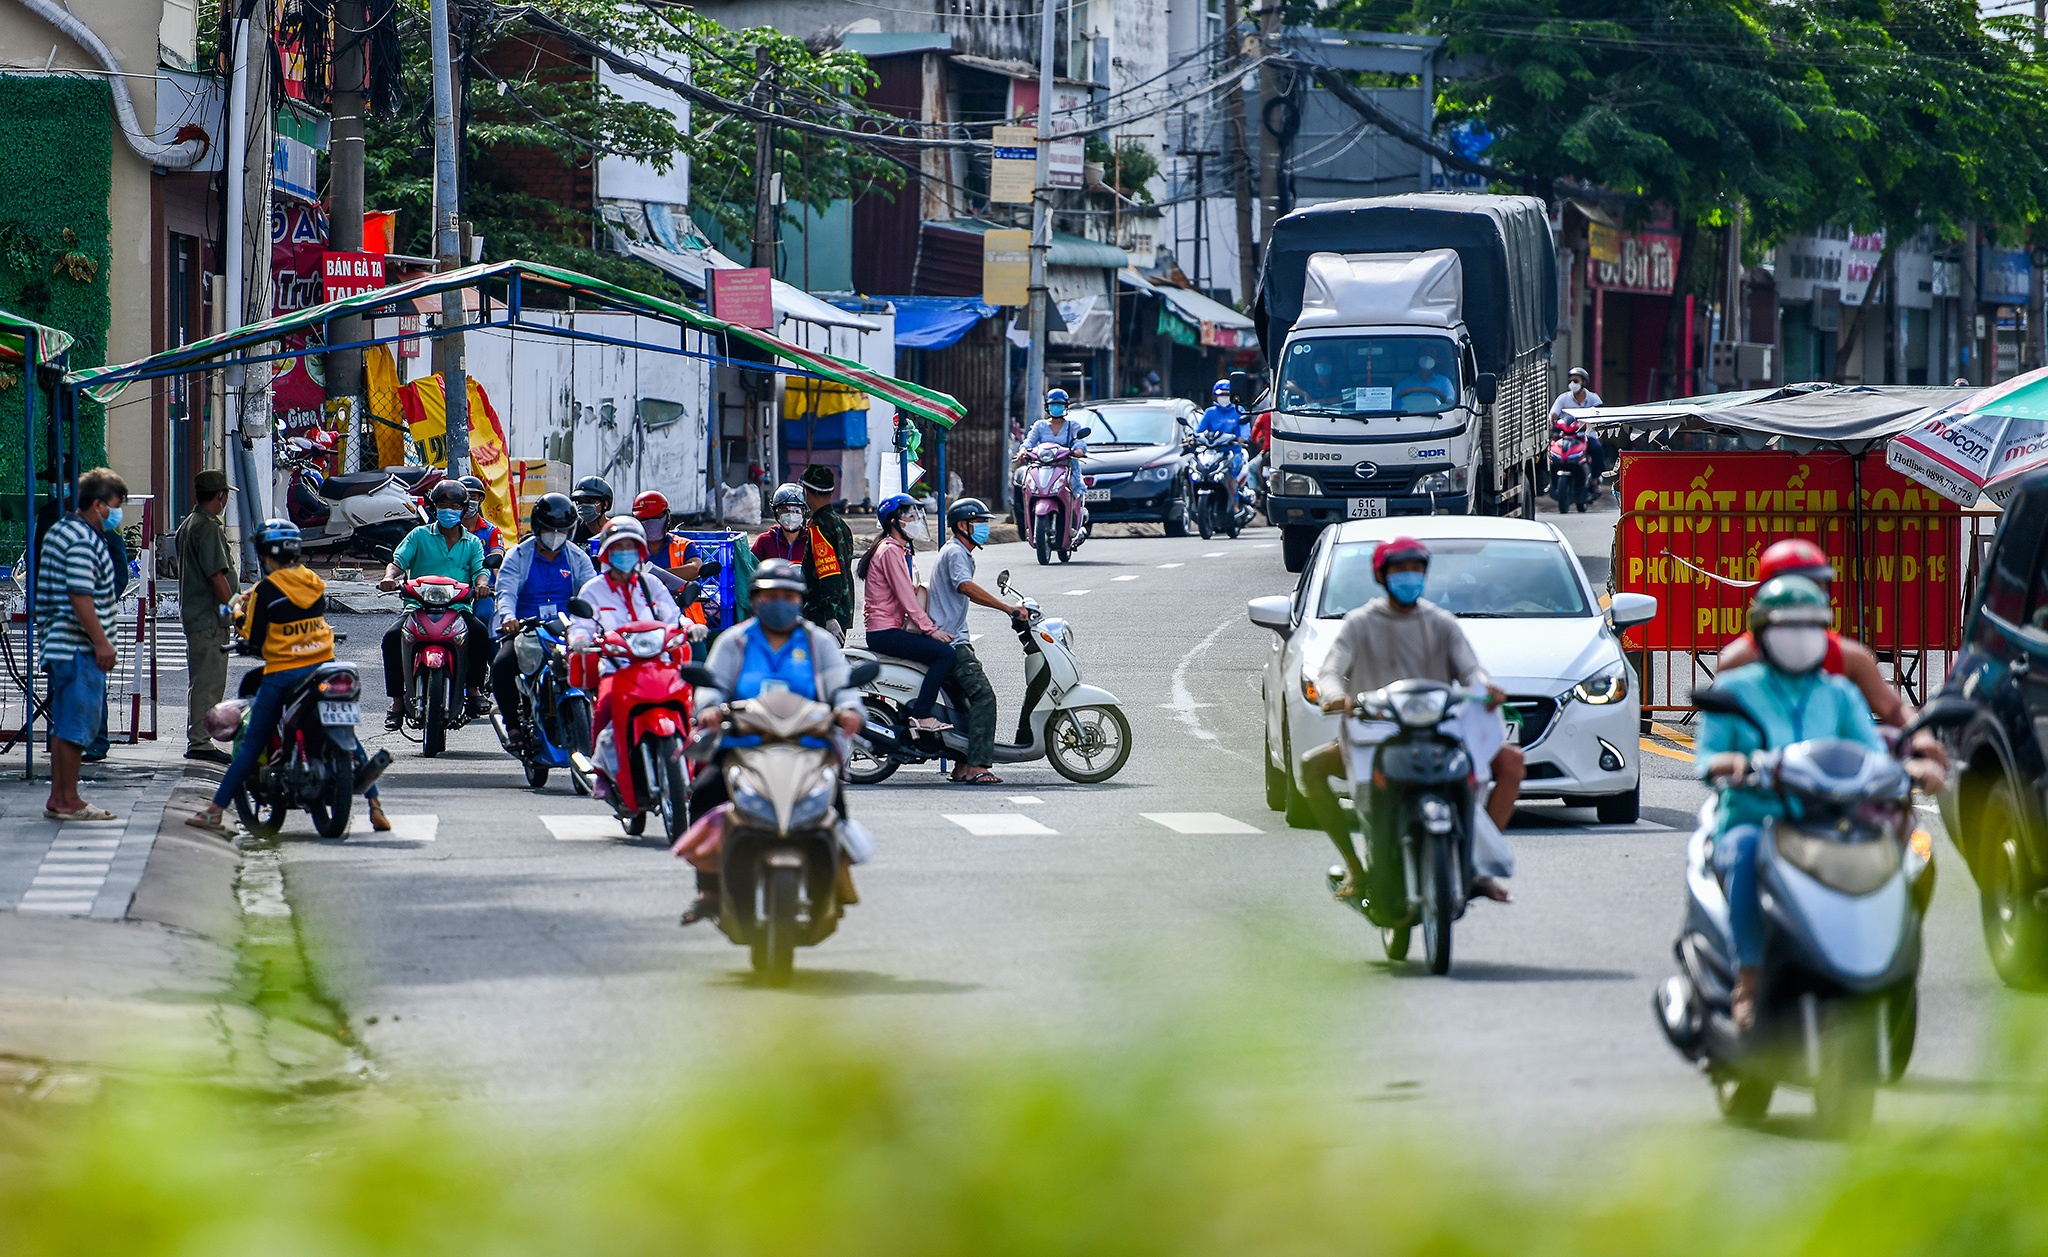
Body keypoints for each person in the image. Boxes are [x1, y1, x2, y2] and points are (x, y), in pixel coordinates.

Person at [1697, 576, 1942, 1031]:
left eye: (1811, 626)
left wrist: (1908, 767)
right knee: (1748, 852)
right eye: (1787, 626)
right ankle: (1747, 980)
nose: (1799, 637)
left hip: (1825, 821)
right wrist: (1729, 763)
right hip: (1754, 817)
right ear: (1761, 631)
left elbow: (1870, 751)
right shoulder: (1736, 688)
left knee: (1893, 856)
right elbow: (1706, 757)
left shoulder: (1839, 693)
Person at [1305, 536, 1522, 906]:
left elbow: (1472, 671)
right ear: (1382, 575)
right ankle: (1355, 866)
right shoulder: (1359, 624)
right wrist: (1332, 696)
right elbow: (1331, 670)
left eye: (1416, 568)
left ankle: (1476, 866)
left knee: (1512, 763)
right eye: (1400, 569)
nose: (1409, 576)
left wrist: (1486, 688)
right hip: (1374, 731)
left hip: (1438, 731)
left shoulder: (1441, 622)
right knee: (1311, 768)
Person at [683, 558, 866, 924]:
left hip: (809, 747)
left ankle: (835, 881)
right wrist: (709, 709)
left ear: (801, 600)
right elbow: (711, 687)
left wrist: (849, 711)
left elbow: (843, 689)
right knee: (704, 792)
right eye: (770, 596)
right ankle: (709, 887)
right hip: (744, 746)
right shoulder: (734, 642)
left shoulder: (820, 643)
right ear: (755, 599)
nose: (779, 602)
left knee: (835, 808)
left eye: (788, 595)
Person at [186, 520, 390, 836]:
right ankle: (376, 806)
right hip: (325, 665)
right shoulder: (312, 580)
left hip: (284, 672)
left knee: (252, 742)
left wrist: (237, 612)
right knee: (344, 731)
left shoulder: (268, 590)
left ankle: (215, 811)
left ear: (265, 552)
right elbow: (296, 606)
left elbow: (253, 634)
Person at [34, 468, 127, 821]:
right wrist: (102, 642)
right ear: (99, 504)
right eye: (114, 506)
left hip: (60, 643)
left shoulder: (62, 529)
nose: (116, 515)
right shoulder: (82, 539)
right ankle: (69, 798)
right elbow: (80, 595)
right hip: (76, 645)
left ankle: (59, 796)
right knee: (75, 724)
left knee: (64, 724)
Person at [573, 516, 688, 784]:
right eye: (618, 547)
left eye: (630, 546)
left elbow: (673, 616)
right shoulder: (593, 590)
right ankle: (601, 768)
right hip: (616, 666)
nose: (625, 552)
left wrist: (689, 626)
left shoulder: (652, 585)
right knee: (605, 705)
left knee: (687, 699)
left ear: (640, 550)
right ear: (606, 552)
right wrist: (579, 637)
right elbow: (582, 623)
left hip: (657, 664)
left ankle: (690, 758)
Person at [928, 498, 1031, 785]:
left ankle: (962, 765)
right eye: (980, 522)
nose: (984, 528)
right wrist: (1007, 608)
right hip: (951, 642)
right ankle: (977, 767)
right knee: (983, 697)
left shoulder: (957, 551)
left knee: (964, 703)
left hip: (951, 637)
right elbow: (966, 587)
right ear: (963, 525)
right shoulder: (957, 553)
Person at [379, 480, 490, 729]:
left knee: (480, 633)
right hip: (417, 608)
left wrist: (482, 584)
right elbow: (397, 562)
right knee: (391, 638)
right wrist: (389, 578)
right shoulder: (418, 535)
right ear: (434, 508)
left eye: (453, 506)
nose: (447, 510)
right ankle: (397, 702)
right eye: (442, 505)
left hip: (458, 609)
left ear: (463, 509)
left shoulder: (472, 543)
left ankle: (473, 690)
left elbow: (480, 571)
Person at [490, 492, 597, 744]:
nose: (556, 536)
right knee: (501, 666)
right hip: (525, 629)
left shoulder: (577, 557)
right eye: (550, 530)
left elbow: (590, 592)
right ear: (538, 528)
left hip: (568, 630)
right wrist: (508, 617)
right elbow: (506, 592)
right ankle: (514, 727)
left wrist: (592, 620)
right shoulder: (517, 555)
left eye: (563, 531)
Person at [858, 493, 952, 733]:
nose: (915, 518)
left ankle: (911, 709)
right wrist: (932, 631)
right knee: (945, 656)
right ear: (893, 521)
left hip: (890, 629)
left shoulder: (899, 550)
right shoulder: (889, 551)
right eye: (909, 514)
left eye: (915, 513)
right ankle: (921, 714)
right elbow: (907, 598)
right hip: (884, 632)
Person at [176, 469, 240, 766]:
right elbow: (217, 576)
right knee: (208, 682)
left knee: (201, 680)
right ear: (221, 496)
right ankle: (200, 741)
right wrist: (235, 609)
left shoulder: (189, 524)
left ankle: (199, 737)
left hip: (197, 616)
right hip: (210, 618)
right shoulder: (208, 527)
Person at [799, 464, 855, 643]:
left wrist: (829, 616)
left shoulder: (819, 527)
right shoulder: (840, 524)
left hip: (823, 616)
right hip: (842, 610)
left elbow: (829, 573)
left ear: (807, 491)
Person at [1015, 388, 1090, 503]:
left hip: (1066, 467)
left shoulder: (1072, 426)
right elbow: (1029, 442)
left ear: (1065, 406)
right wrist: (1023, 450)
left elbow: (1079, 442)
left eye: (1059, 404)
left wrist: (1078, 450)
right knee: (1023, 481)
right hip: (1042, 467)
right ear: (1047, 406)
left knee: (1073, 485)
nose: (1056, 407)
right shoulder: (1039, 426)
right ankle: (1022, 515)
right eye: (1052, 405)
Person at [1549, 366, 1608, 489]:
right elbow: (1553, 413)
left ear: (1584, 382)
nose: (1572, 384)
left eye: (1575, 381)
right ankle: (1552, 482)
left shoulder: (1593, 398)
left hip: (1586, 435)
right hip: (1567, 436)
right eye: (1570, 381)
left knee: (1597, 449)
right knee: (1551, 454)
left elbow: (1601, 414)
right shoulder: (1563, 398)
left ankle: (1595, 479)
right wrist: (1551, 420)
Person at [632, 490, 701, 579]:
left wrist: (662, 575)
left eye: (656, 517)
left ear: (667, 517)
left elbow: (696, 567)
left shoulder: (683, 546)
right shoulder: (628, 547)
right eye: (645, 518)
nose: (651, 523)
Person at [752, 483, 811, 564]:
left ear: (804, 513)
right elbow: (750, 570)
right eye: (785, 510)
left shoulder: (813, 540)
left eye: (796, 511)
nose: (791, 515)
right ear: (777, 514)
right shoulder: (764, 541)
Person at [569, 475, 614, 548]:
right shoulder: (572, 530)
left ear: (605, 504)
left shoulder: (615, 530)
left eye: (589, 501)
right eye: (580, 502)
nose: (583, 505)